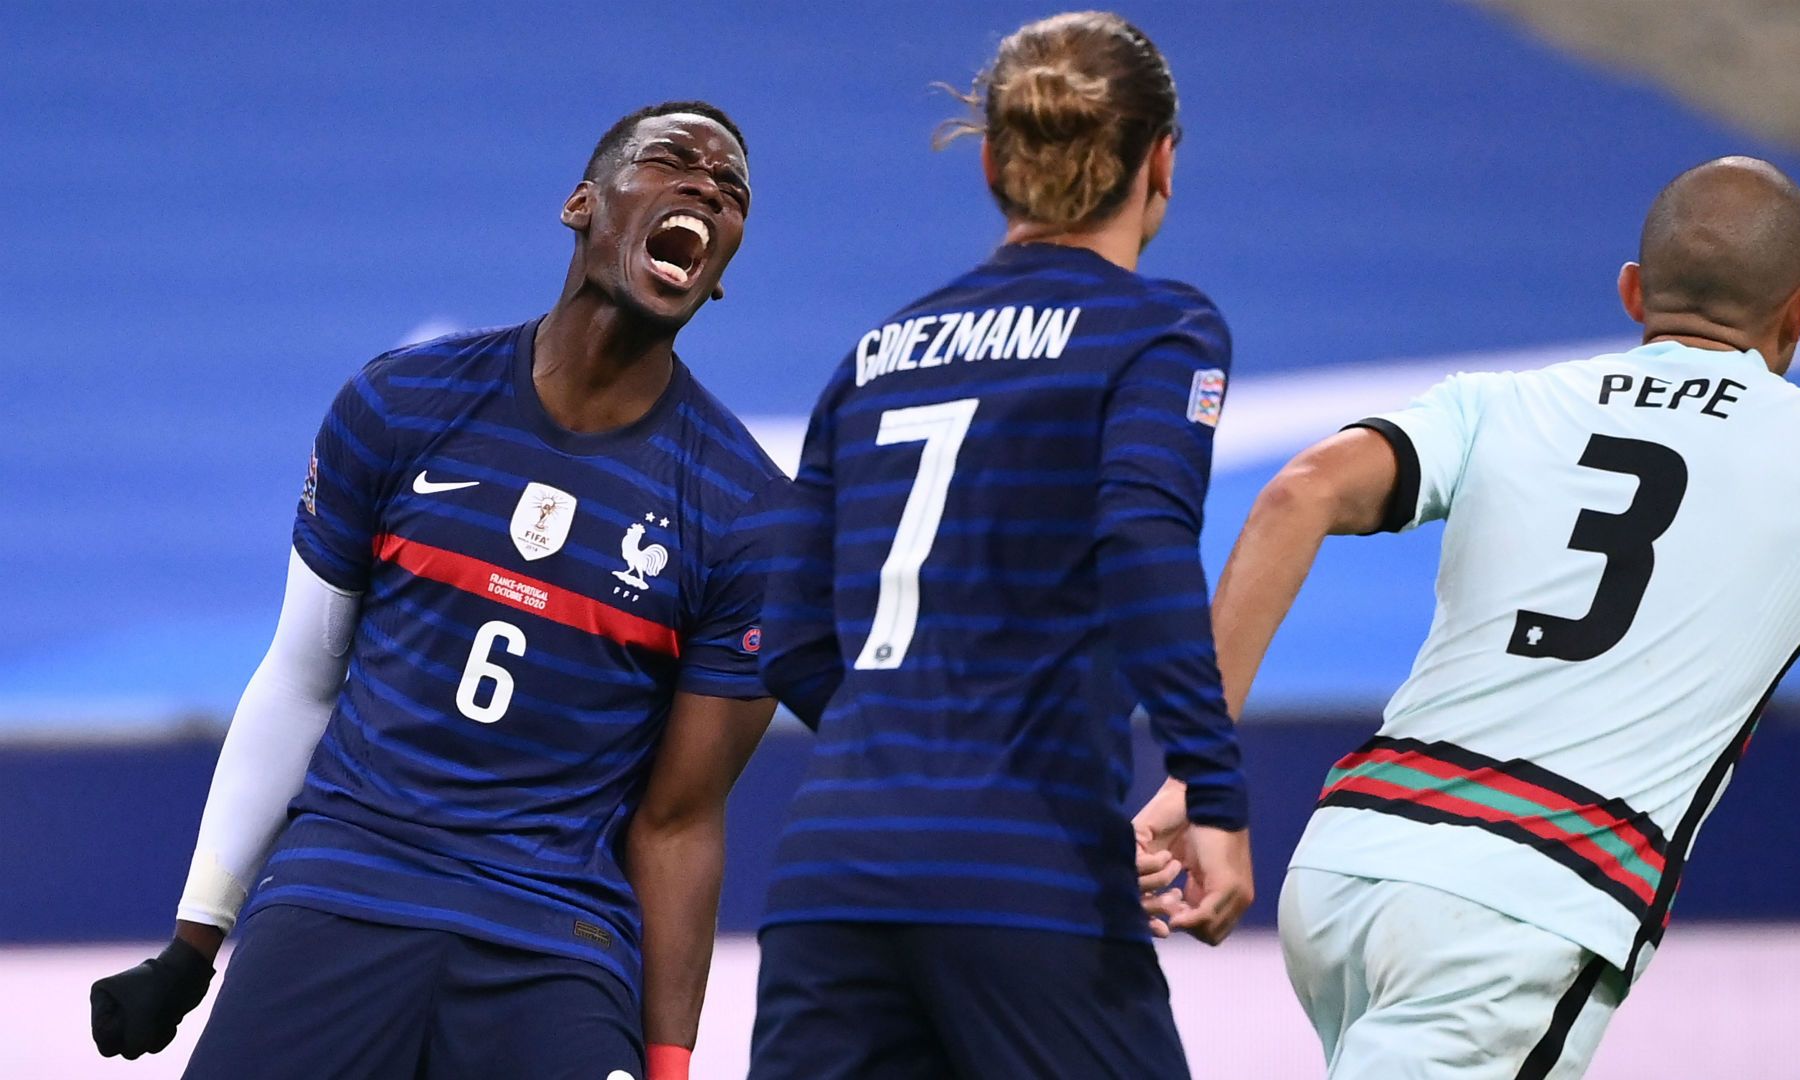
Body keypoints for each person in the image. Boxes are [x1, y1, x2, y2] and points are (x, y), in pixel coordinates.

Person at [1137, 155, 1800, 1078]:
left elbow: (1296, 493)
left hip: (1350, 862)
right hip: (1520, 904)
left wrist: (1199, 770)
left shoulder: (1499, 403)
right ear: (1798, 313)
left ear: (1633, 292)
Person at [88, 101, 784, 1080]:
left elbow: (680, 820)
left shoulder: (747, 512)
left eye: (734, 192)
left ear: (717, 279)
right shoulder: (399, 405)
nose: (709, 186)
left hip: (558, 940)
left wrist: (668, 1067)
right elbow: (299, 680)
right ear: (583, 204)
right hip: (344, 887)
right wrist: (192, 948)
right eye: (674, 162)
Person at [746, 12, 1255, 1079]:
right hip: (1029, 874)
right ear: (1161, 160)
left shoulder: (874, 359)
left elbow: (786, 634)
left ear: (991, 162)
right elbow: (1143, 542)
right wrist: (1213, 792)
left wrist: (918, 770)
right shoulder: (1159, 331)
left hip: (833, 872)